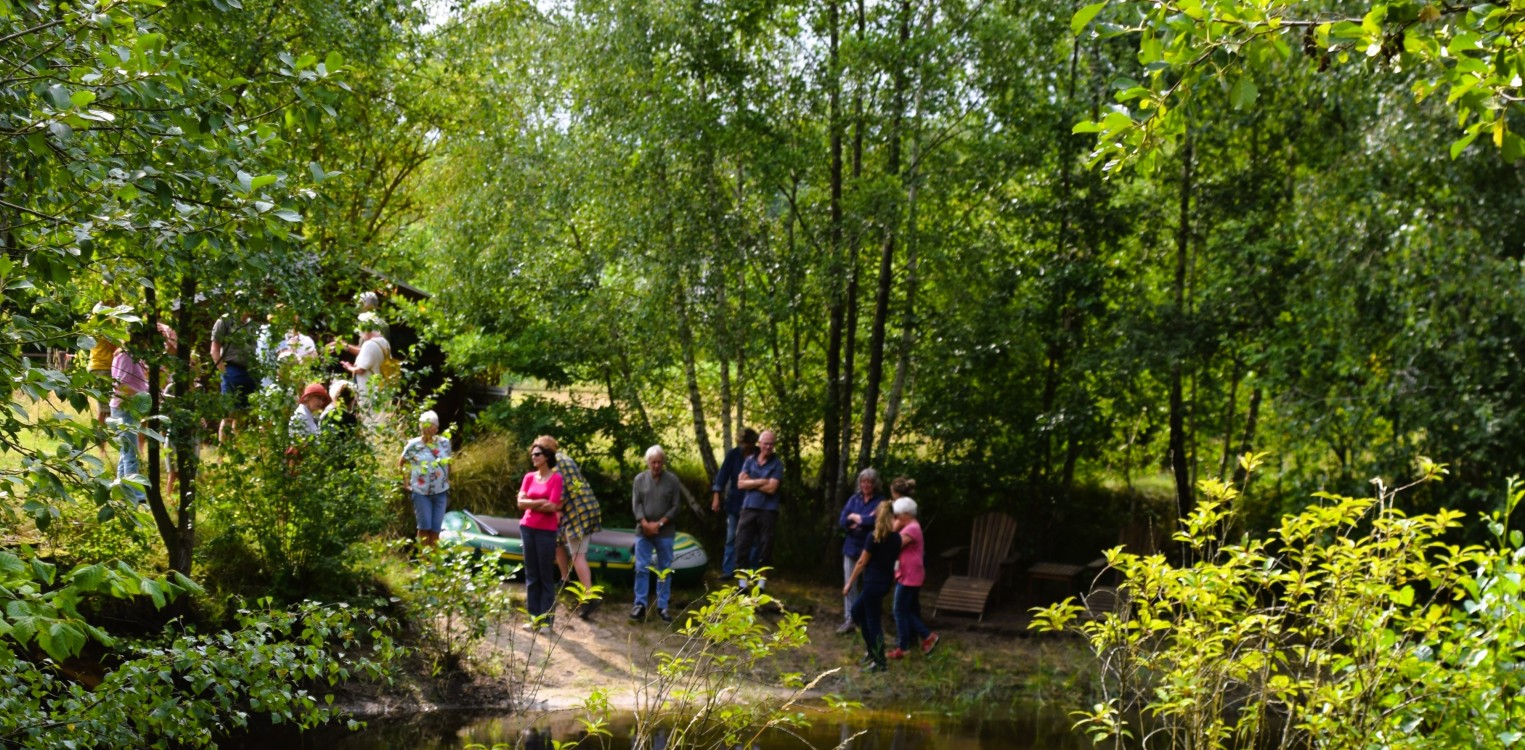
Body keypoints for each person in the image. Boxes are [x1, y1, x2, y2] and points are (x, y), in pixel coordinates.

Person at [538, 435, 604, 618]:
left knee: (577, 555)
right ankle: (565, 579)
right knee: (558, 540)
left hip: (578, 511)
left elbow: (559, 498)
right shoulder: (566, 458)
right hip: (587, 505)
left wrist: (545, 507)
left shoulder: (553, 466)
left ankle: (590, 597)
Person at [630, 444, 692, 622]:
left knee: (664, 569)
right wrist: (645, 523)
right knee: (641, 567)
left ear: (663, 462)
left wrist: (660, 523)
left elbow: (676, 506)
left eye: (659, 462)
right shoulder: (639, 479)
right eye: (653, 462)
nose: (656, 465)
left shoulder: (672, 480)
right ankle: (640, 604)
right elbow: (636, 504)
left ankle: (662, 606)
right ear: (648, 462)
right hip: (643, 530)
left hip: (665, 531)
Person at [843, 500, 900, 673]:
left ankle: (880, 661)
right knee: (856, 612)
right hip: (884, 583)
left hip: (873, 583)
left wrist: (849, 583)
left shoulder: (874, 537)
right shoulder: (896, 538)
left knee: (873, 621)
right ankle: (872, 651)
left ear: (877, 516)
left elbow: (861, 562)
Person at [886, 482, 939, 659]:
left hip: (910, 575)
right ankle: (922, 638)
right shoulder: (911, 526)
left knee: (899, 610)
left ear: (907, 514)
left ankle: (912, 642)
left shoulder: (912, 528)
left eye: (898, 515)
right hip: (908, 573)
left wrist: (892, 528)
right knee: (905, 609)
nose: (897, 518)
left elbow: (894, 545)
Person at [518, 438, 564, 629]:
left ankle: (547, 621)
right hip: (527, 528)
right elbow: (520, 503)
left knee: (545, 575)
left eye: (537, 454)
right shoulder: (529, 477)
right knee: (531, 575)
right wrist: (540, 502)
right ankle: (533, 619)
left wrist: (531, 502)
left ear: (546, 457)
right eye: (532, 454)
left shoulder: (556, 478)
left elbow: (553, 506)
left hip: (546, 531)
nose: (533, 457)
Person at [731, 429, 784, 591]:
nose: (768, 447)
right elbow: (740, 484)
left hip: (768, 511)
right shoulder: (749, 460)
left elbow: (772, 489)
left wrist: (751, 482)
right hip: (748, 508)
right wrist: (762, 481)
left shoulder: (777, 464)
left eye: (771, 444)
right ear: (759, 444)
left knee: (765, 547)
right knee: (741, 544)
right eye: (765, 443)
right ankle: (742, 584)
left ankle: (761, 584)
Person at [836, 468, 886, 635]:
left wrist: (855, 518)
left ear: (875, 484)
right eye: (864, 481)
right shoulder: (854, 499)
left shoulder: (880, 501)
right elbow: (843, 520)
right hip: (851, 547)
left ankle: (866, 619)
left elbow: (874, 521)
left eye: (870, 482)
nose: (866, 485)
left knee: (869, 585)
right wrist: (859, 521)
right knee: (849, 583)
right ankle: (849, 619)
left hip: (870, 549)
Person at [710, 428, 758, 579]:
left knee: (754, 539)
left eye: (750, 445)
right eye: (745, 444)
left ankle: (751, 571)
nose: (747, 447)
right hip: (734, 503)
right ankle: (728, 570)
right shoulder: (733, 455)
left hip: (754, 504)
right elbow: (722, 475)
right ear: (740, 442)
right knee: (731, 537)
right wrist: (716, 496)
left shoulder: (760, 455)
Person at [109, 327, 149, 503]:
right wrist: (144, 395)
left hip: (130, 408)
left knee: (125, 452)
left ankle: (120, 490)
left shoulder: (134, 357)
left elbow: (136, 383)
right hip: (124, 408)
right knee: (131, 453)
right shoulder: (125, 356)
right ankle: (136, 496)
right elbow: (121, 385)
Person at [401, 411, 452, 548]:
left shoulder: (444, 443)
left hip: (440, 492)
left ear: (436, 428)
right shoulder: (414, 445)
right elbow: (402, 463)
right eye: (425, 427)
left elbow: (448, 462)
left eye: (431, 427)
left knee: (436, 529)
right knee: (424, 528)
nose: (428, 430)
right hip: (421, 492)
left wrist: (447, 479)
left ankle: (434, 559)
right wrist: (405, 482)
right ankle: (423, 558)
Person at [210, 308, 259, 442]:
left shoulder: (252, 325)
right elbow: (214, 350)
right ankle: (223, 448)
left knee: (243, 413)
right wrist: (224, 372)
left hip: (249, 371)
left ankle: (237, 447)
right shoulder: (225, 320)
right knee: (229, 413)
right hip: (231, 368)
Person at [340, 322, 392, 401]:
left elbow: (360, 370)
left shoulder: (369, 345)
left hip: (368, 388)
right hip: (381, 385)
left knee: (368, 405)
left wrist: (349, 367)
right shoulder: (383, 342)